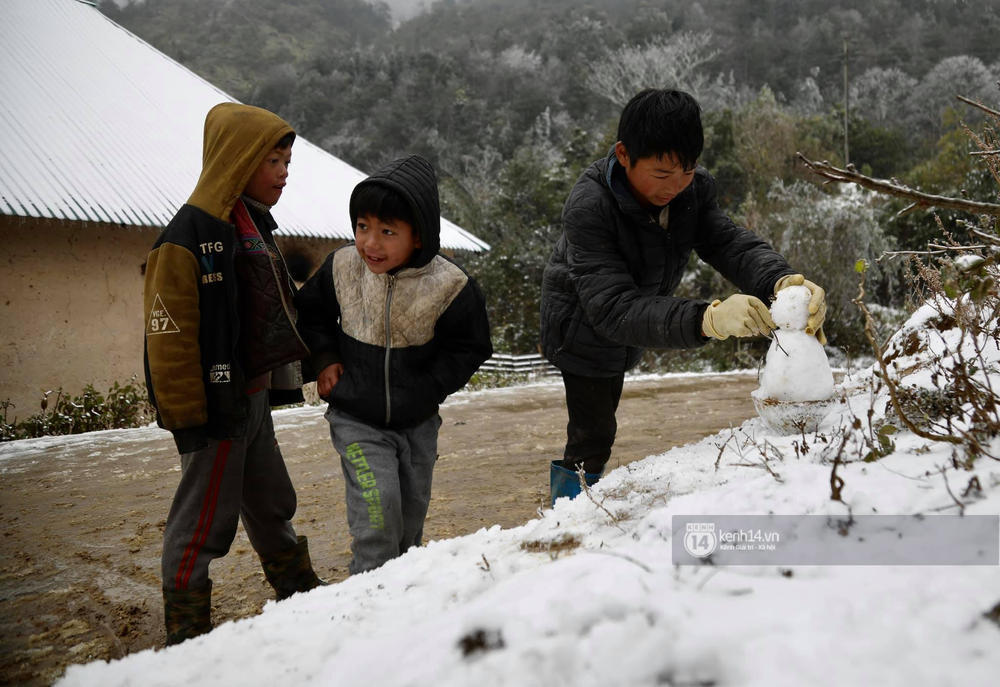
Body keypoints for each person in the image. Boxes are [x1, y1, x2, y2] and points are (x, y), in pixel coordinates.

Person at [540, 88, 826, 505]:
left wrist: (781, 281)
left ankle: (581, 503)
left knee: (602, 418)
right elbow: (612, 309)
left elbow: (729, 244)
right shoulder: (590, 207)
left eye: (687, 170)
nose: (675, 186)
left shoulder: (693, 191)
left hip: (632, 316)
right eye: (661, 174)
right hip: (582, 326)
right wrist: (706, 319)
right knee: (594, 432)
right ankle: (568, 514)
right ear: (623, 154)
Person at [143, 102, 326, 646]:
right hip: (213, 404)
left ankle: (298, 589)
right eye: (272, 159)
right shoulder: (187, 236)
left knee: (271, 499)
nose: (283, 171)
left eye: (287, 160)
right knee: (204, 519)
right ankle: (187, 627)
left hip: (250, 394)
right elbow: (169, 336)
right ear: (237, 158)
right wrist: (186, 414)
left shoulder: (252, 224)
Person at [295, 154, 493, 574]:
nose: (370, 243)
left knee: (408, 526)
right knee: (378, 515)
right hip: (357, 416)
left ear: (418, 236)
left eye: (387, 231)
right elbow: (309, 316)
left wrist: (429, 387)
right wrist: (325, 359)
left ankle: (401, 605)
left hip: (418, 423)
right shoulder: (342, 267)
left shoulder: (450, 285)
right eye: (363, 227)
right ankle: (363, 602)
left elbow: (469, 346)